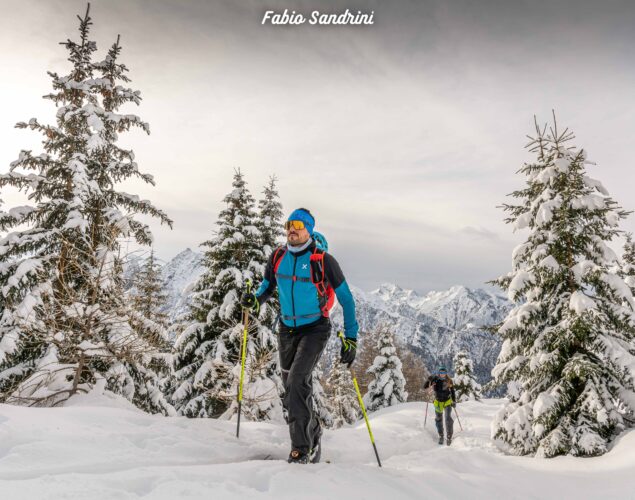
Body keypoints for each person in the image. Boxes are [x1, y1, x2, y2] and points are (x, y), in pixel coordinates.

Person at [240, 208, 359, 464]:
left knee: (296, 381)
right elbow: (267, 286)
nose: (291, 229)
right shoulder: (278, 257)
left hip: (315, 328)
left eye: (297, 225)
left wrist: (351, 338)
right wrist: (256, 299)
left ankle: (302, 450)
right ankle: (313, 430)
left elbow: (347, 300)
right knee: (291, 388)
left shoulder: (324, 261)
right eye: (288, 225)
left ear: (309, 229)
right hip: (286, 329)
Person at [424, 366, 456, 445]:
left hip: (447, 401)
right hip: (438, 402)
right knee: (438, 419)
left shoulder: (449, 381)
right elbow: (425, 387)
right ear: (439, 373)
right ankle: (441, 435)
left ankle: (449, 436)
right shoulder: (435, 379)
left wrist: (454, 401)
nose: (442, 374)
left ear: (446, 373)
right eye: (441, 372)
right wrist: (429, 380)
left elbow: (452, 391)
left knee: (448, 418)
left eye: (444, 372)